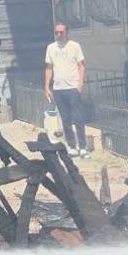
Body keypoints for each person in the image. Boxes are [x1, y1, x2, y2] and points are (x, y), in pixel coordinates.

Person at [44, 22, 88, 156]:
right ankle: (72, 146)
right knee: (65, 119)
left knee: (78, 118)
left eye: (61, 32)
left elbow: (81, 66)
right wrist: (47, 86)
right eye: (56, 32)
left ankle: (83, 146)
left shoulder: (75, 46)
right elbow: (49, 68)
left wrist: (80, 84)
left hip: (72, 88)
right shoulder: (51, 48)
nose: (59, 35)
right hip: (58, 89)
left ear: (66, 32)